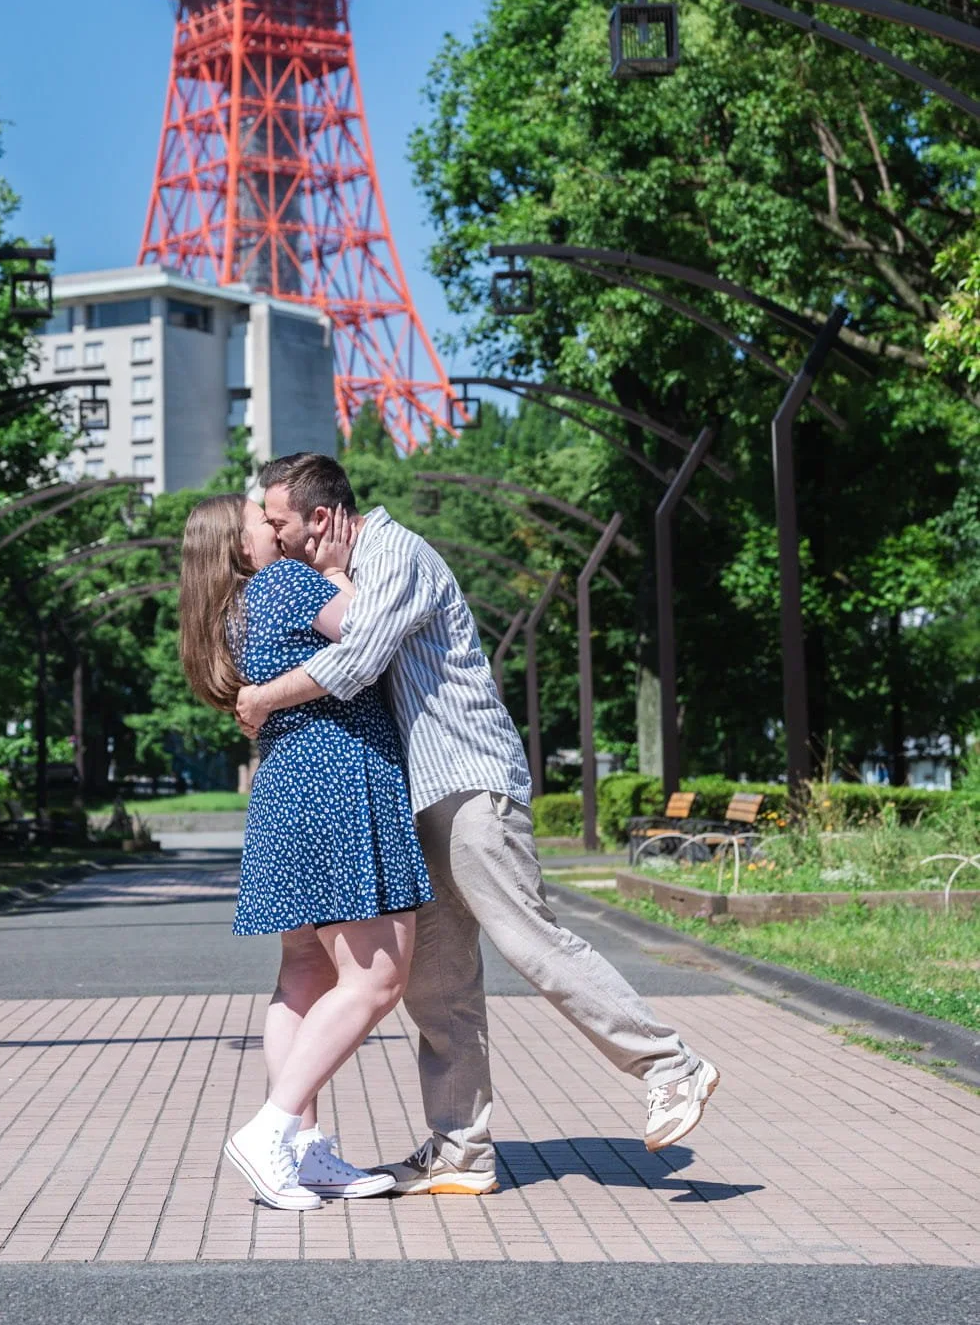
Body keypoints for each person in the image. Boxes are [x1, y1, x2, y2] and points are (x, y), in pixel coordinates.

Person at [234, 453, 721, 1195]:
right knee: (437, 982)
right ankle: (460, 1148)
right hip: (414, 796)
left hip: (466, 783)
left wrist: (265, 698)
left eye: (280, 522)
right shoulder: (345, 574)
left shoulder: (397, 554)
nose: (276, 536)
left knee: (531, 939)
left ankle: (670, 1066)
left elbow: (358, 660)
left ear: (323, 517)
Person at [177, 492, 433, 1211]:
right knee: (377, 980)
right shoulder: (285, 583)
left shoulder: (226, 615)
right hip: (338, 782)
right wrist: (345, 570)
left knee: (302, 974)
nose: (278, 523)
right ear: (241, 542)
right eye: (264, 517)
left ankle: (303, 1150)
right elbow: (367, 631)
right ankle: (273, 1129)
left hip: (287, 789)